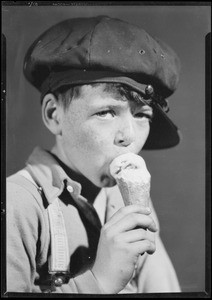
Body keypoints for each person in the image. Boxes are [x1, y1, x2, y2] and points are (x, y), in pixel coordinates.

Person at [7, 15, 181, 294]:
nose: (129, 135)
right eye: (106, 112)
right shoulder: (18, 204)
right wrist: (99, 281)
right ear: (54, 115)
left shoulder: (127, 202)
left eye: (141, 115)